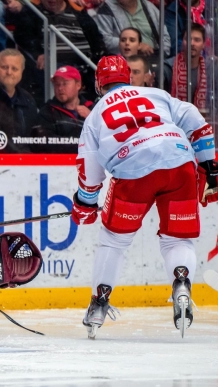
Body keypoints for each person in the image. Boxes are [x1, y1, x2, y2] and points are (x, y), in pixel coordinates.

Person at [71, 55, 218, 339]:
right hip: (179, 163)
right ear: (128, 77)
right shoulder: (155, 94)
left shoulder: (95, 115)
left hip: (133, 172)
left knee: (114, 241)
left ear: (99, 84)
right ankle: (182, 284)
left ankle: (99, 304)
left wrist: (85, 203)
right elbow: (195, 119)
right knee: (177, 239)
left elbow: (89, 168)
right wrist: (209, 164)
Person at [5, 0, 105, 102]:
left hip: (85, 69)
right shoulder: (33, 13)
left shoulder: (79, 14)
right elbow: (22, 36)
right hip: (54, 69)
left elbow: (97, 42)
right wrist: (38, 54)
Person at [32, 66, 94, 153]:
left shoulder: (93, 109)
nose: (60, 88)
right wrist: (80, 145)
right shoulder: (47, 111)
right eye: (57, 84)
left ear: (78, 85)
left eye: (65, 83)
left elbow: (107, 138)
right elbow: (45, 143)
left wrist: (92, 119)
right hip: (59, 161)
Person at [93, 0, 171, 58]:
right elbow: (105, 40)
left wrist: (162, 55)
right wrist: (136, 45)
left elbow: (165, 37)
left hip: (153, 59)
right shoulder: (106, 9)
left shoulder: (149, 7)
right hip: (123, 62)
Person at [170, 24, 207, 114]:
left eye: (197, 40)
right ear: (182, 42)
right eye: (188, 39)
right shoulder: (169, 68)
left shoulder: (210, 70)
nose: (192, 43)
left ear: (204, 44)